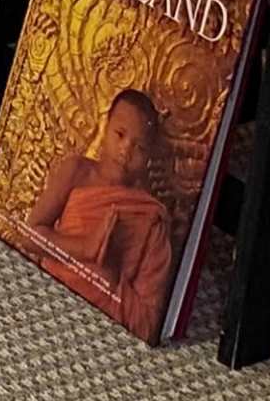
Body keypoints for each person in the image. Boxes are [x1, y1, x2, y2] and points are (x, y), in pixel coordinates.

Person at [31, 86, 181, 338]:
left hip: (104, 321)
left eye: (140, 148)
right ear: (104, 126)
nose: (126, 150)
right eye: (120, 134)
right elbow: (28, 235)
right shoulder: (76, 171)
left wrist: (110, 276)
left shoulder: (150, 216)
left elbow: (148, 323)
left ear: (150, 156)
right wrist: (84, 249)